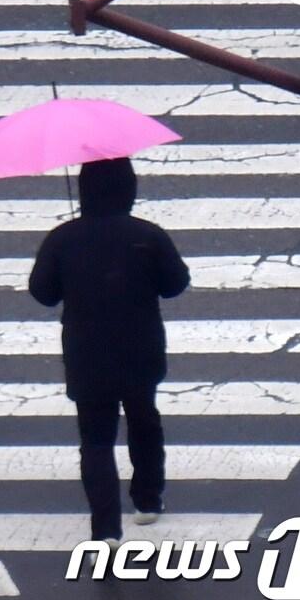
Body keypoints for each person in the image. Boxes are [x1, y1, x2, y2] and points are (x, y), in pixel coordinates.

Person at [28, 157, 190, 543]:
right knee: (144, 419)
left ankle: (105, 528)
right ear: (128, 189)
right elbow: (175, 283)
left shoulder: (63, 238)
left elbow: (43, 293)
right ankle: (148, 500)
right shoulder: (147, 235)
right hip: (140, 346)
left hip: (87, 353)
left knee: (96, 440)